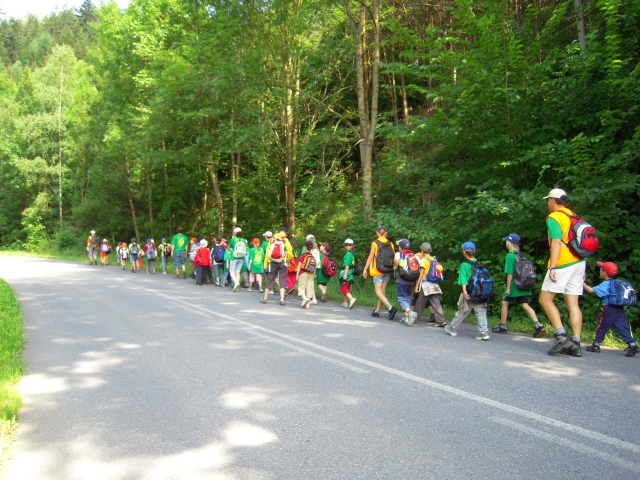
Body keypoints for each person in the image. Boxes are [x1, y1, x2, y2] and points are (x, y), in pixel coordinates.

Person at [538, 189, 586, 357]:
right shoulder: (573, 216)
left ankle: (561, 337)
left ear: (552, 200)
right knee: (573, 303)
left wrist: (553, 267)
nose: (548, 203)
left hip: (563, 262)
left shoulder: (555, 217)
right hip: (579, 262)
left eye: (548, 200)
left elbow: (556, 242)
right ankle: (576, 344)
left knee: (545, 299)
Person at [492, 234, 546, 337]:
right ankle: (538, 325)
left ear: (510, 243)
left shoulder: (510, 256)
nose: (505, 243)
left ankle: (502, 326)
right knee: (525, 305)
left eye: (507, 241)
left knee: (505, 302)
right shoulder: (520, 255)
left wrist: (508, 288)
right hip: (523, 284)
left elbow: (510, 273)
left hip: (514, 285)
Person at [583, 262, 638, 357]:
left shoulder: (606, 284)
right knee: (622, 327)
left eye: (601, 270)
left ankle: (595, 346)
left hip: (609, 308)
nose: (599, 271)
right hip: (619, 308)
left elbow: (591, 290)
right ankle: (633, 345)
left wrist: (581, 283)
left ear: (605, 273)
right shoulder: (617, 282)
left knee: (602, 326)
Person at [445, 242, 490, 340]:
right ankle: (484, 333)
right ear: (475, 251)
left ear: (464, 252)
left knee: (462, 310)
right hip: (480, 292)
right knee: (481, 312)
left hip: (469, 291)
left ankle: (452, 328)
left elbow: (463, 280)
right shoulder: (479, 263)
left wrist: (465, 292)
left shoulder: (464, 265)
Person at [363, 225, 397, 319]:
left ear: (377, 233)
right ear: (386, 233)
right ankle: (377, 311)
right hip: (388, 270)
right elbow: (394, 256)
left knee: (378, 292)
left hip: (378, 270)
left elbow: (371, 256)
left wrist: (365, 269)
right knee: (382, 292)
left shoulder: (375, 243)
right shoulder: (390, 243)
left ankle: (391, 308)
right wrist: (395, 267)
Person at [411, 242, 447, 327]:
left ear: (422, 251)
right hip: (434, 285)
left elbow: (421, 273)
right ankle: (441, 320)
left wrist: (417, 285)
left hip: (425, 285)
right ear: (430, 251)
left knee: (420, 302)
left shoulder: (424, 260)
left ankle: (415, 319)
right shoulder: (434, 259)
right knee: (436, 303)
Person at [261, 227, 294, 305]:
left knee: (270, 279)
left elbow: (267, 253)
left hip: (272, 262)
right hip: (283, 262)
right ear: (284, 232)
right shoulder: (285, 240)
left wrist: (265, 264)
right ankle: (282, 300)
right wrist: (287, 258)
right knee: (282, 279)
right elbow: (290, 252)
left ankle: (265, 298)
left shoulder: (272, 239)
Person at [394, 239, 419, 325]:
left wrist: (394, 267)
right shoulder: (414, 256)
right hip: (412, 280)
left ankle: (410, 312)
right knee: (407, 297)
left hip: (402, 279)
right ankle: (406, 317)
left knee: (401, 298)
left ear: (400, 247)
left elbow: (396, 265)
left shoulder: (398, 254)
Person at [296, 240, 317, 308]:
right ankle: (307, 304)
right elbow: (315, 265)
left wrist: (297, 274)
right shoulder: (312, 256)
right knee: (309, 287)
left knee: (301, 287)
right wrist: (314, 274)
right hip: (311, 274)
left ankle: (305, 298)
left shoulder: (303, 255)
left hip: (303, 273)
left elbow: (299, 265)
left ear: (305, 247)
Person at [228, 227, 248, 292]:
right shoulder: (244, 240)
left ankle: (236, 283)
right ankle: (237, 288)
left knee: (232, 272)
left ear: (235, 233)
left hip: (234, 257)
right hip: (242, 257)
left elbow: (229, 247)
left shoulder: (233, 239)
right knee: (238, 272)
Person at [340, 239, 357, 309]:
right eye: (346, 244)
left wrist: (345, 274)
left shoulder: (348, 254)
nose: (347, 246)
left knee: (344, 288)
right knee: (347, 287)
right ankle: (345, 302)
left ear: (352, 246)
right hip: (350, 273)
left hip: (347, 272)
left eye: (349, 245)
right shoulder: (352, 253)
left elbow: (347, 265)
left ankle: (351, 299)